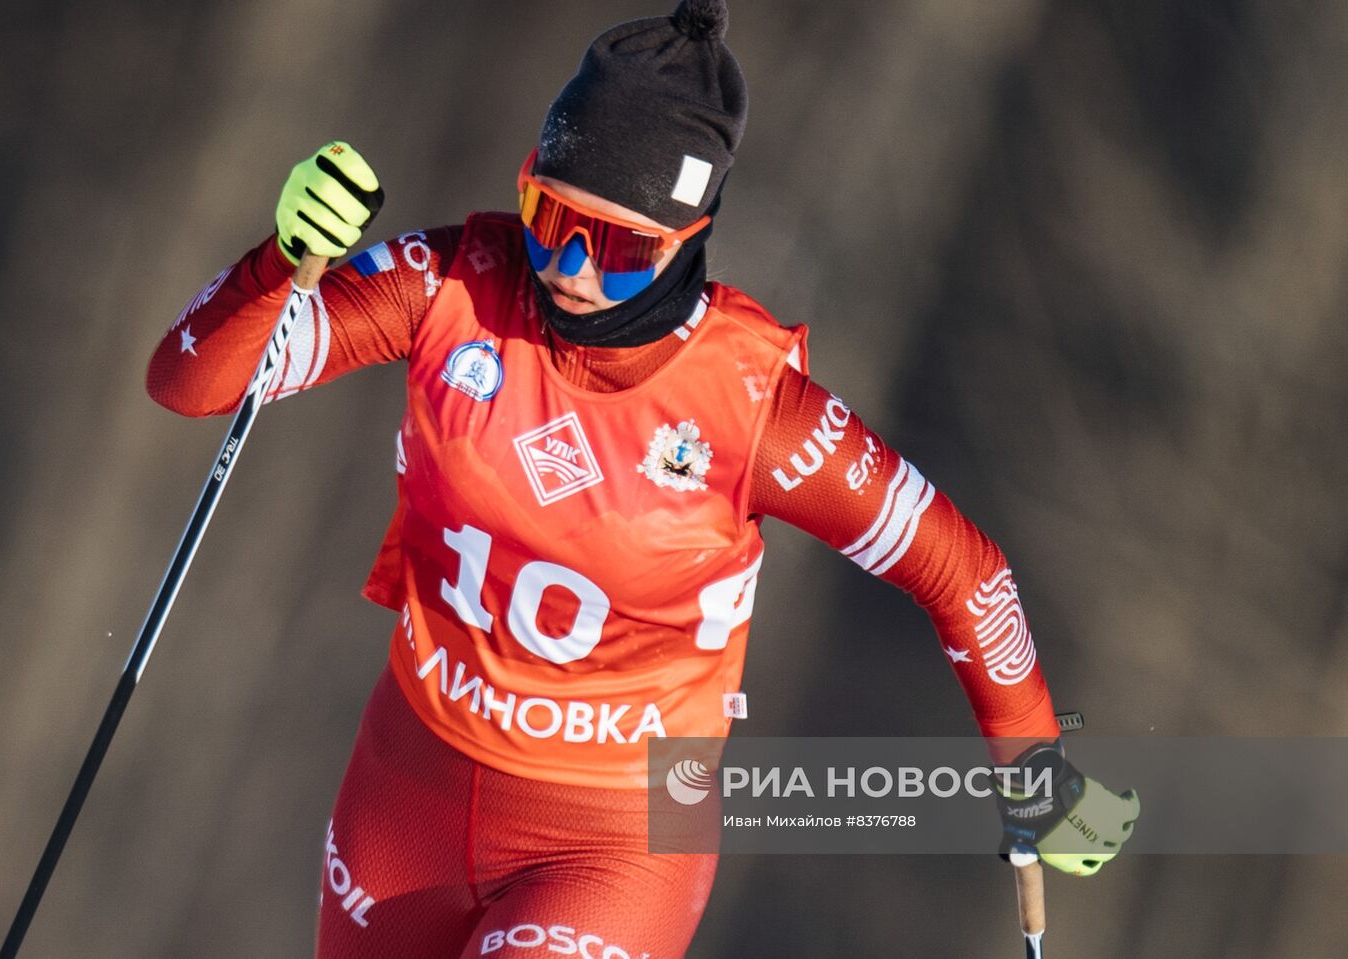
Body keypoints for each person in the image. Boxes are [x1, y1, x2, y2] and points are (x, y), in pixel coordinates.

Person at [146, 1, 1139, 956]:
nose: (570, 267)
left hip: (617, 835)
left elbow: (960, 571)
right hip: (407, 796)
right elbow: (191, 382)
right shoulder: (456, 285)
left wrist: (1031, 764)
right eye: (549, 217)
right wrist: (284, 258)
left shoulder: (752, 410)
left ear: (686, 237)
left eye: (618, 248)